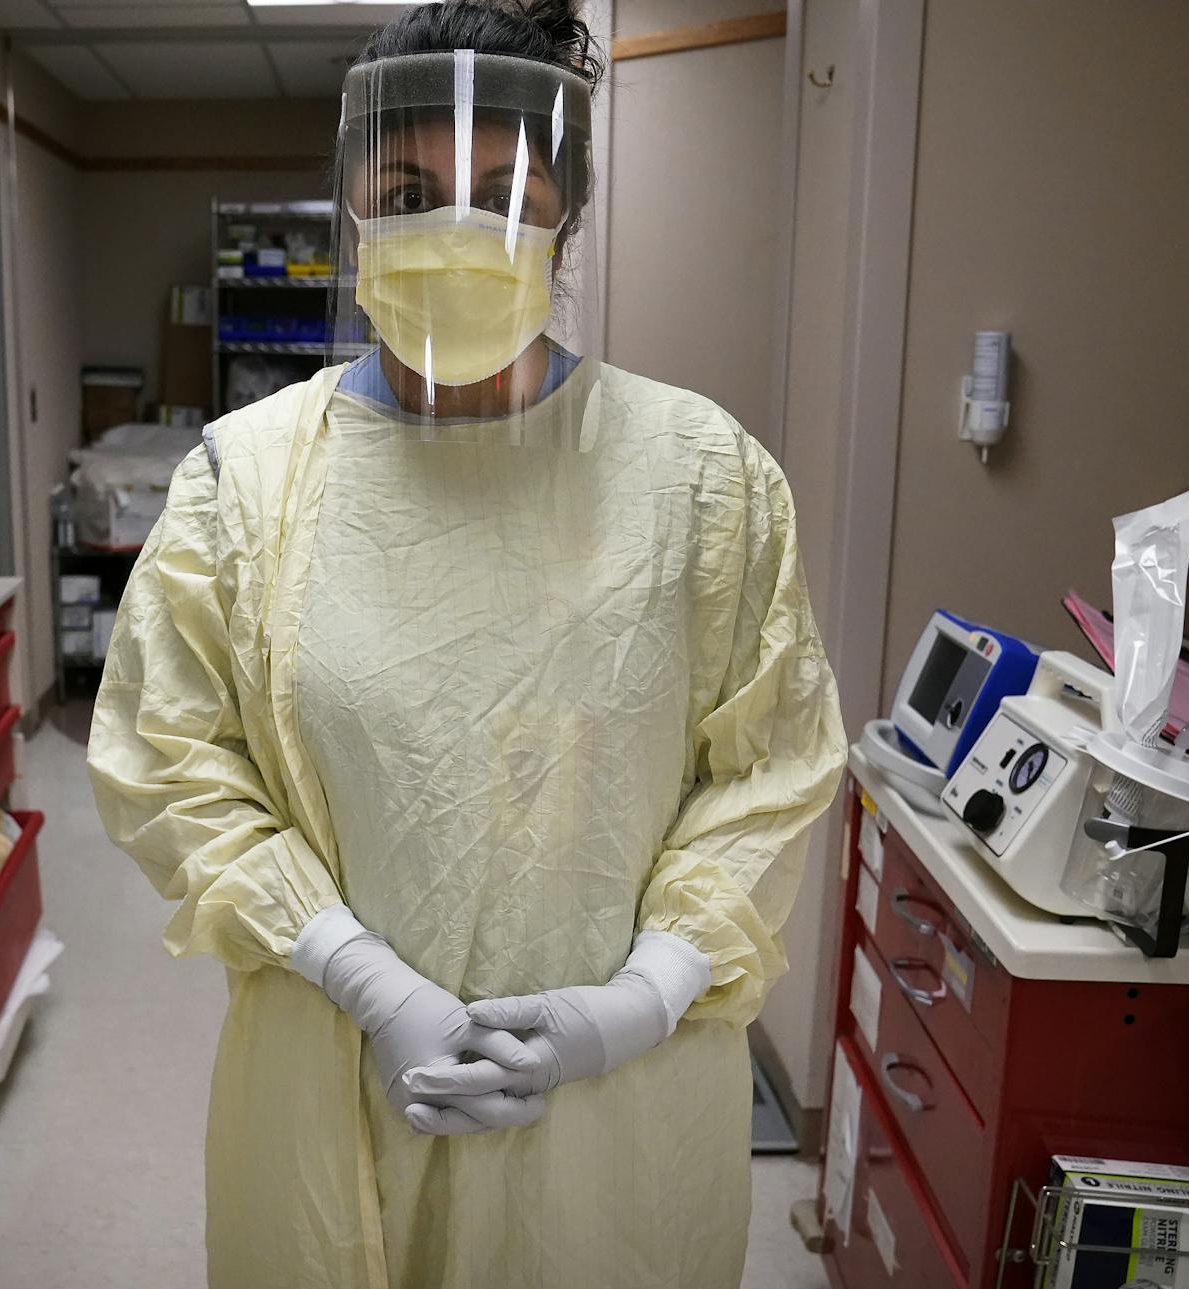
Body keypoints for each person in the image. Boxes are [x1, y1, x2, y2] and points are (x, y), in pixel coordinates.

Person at [87, 2, 847, 1286]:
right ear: (349, 210)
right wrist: (364, 976)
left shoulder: (703, 479)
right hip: (330, 1080)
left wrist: (638, 1000)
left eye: (504, 189)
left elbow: (765, 775)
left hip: (617, 1121)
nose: (455, 227)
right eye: (407, 187)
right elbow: (172, 764)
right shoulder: (245, 482)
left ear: (567, 217)